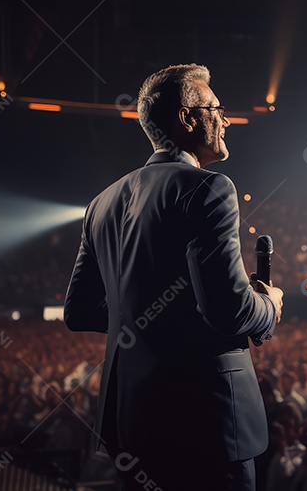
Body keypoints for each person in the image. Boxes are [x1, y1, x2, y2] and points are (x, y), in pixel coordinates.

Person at [64, 64, 285, 491]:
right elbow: (229, 310)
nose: (226, 120)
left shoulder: (101, 204)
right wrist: (269, 305)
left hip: (132, 425)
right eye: (216, 109)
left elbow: (80, 311)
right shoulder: (208, 188)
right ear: (187, 118)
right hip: (205, 424)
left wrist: (149, 312)